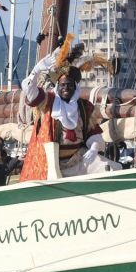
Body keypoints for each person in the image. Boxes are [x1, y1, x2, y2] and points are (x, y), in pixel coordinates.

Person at [20, 44, 112, 180]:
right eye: (63, 85)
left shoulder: (84, 107)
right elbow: (30, 91)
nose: (66, 88)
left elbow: (93, 133)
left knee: (111, 169)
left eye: (69, 85)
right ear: (58, 87)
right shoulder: (48, 102)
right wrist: (37, 70)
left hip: (78, 160)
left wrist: (93, 148)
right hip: (51, 164)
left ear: (75, 87)